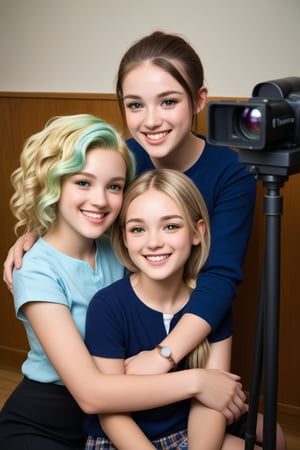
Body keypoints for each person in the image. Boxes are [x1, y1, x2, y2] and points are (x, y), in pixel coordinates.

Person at [3, 31, 257, 375]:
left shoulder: (231, 171)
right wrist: (39, 234)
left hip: (197, 329)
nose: (151, 121)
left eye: (168, 102)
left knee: (264, 431)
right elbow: (85, 208)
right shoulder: (124, 157)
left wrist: (163, 355)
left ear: (199, 100)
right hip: (130, 331)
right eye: (136, 104)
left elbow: (220, 276)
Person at [0, 114, 248, 450]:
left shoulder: (121, 249)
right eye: (83, 183)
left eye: (114, 186)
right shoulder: (35, 270)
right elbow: (91, 395)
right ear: (53, 183)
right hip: (51, 418)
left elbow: (166, 224)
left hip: (139, 406)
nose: (101, 200)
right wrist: (196, 381)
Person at [83, 168, 263, 450]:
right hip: (120, 441)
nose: (154, 242)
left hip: (184, 432)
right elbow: (112, 414)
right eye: (138, 229)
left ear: (197, 232)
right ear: (125, 237)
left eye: (170, 226)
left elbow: (211, 401)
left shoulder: (209, 307)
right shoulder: (107, 306)